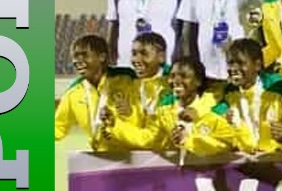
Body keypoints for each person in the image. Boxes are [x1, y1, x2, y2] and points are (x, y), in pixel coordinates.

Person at [100, 57, 234, 158]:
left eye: (184, 76)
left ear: (198, 81)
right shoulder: (164, 111)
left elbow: (227, 142)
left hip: (214, 177)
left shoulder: (216, 108)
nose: (176, 81)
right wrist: (115, 124)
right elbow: (148, 139)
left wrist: (189, 141)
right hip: (177, 177)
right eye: (172, 76)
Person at [54, 35, 136, 151]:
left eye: (84, 55)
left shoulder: (127, 80)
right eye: (76, 56)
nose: (78, 61)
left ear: (102, 57)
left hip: (138, 155)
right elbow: (58, 128)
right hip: (100, 156)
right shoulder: (73, 93)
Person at [219, 38, 282, 155]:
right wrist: (225, 121)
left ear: (257, 65)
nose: (233, 69)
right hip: (245, 160)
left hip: (280, 158)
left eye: (241, 63)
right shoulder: (229, 92)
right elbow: (217, 121)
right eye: (230, 63)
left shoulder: (280, 88)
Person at [111, 31, 171, 133]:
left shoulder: (172, 86)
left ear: (161, 57)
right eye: (134, 54)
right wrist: (128, 114)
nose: (137, 60)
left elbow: (161, 129)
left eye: (144, 54)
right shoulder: (130, 85)